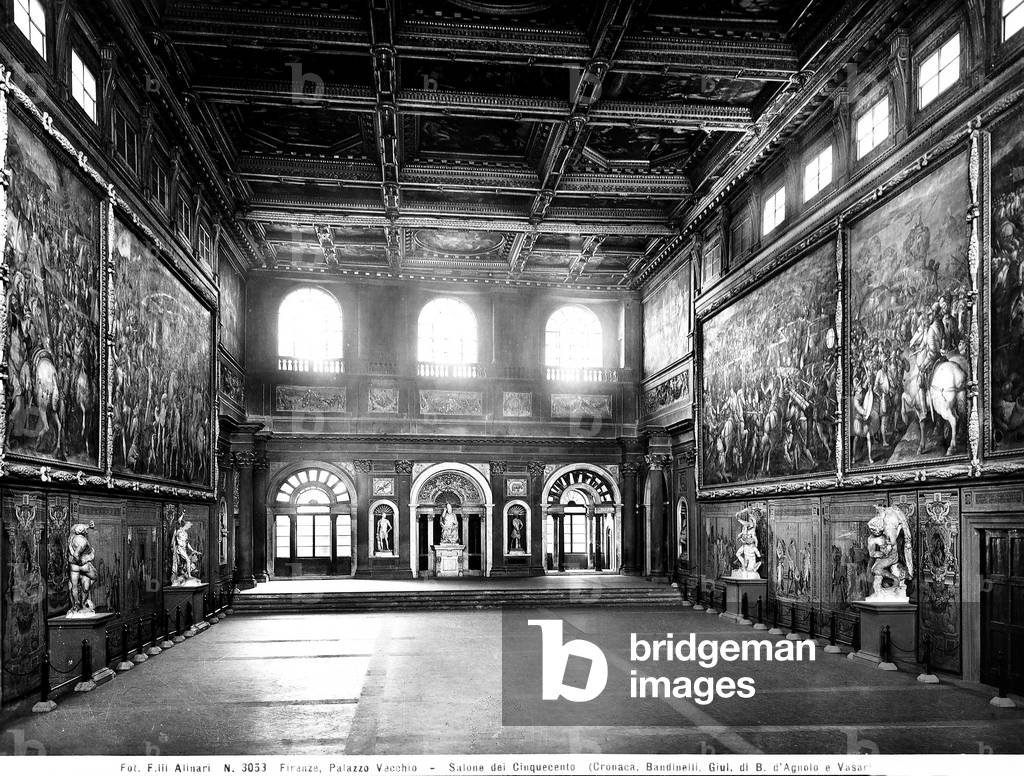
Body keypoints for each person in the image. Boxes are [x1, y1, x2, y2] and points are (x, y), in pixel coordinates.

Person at [68, 521, 97, 615]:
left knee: (74, 586)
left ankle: (76, 605)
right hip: (83, 566)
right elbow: (77, 554)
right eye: (85, 530)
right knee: (94, 577)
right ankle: (84, 602)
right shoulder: (83, 541)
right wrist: (83, 560)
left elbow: (77, 527)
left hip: (73, 566)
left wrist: (88, 526)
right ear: (83, 532)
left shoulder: (72, 536)